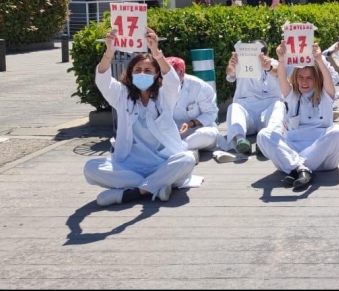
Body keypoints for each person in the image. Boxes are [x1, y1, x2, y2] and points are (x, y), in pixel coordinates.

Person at [84, 28, 199, 207]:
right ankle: (157, 186)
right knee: (90, 168)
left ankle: (133, 193)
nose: (142, 73)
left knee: (187, 159)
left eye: (148, 70)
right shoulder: (121, 95)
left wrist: (156, 52)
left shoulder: (164, 96)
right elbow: (103, 81)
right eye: (137, 70)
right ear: (130, 73)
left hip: (163, 162)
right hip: (131, 166)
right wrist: (109, 51)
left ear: (156, 74)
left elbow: (173, 81)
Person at [256, 43, 339, 189]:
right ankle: (301, 169)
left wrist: (319, 59)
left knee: (337, 131)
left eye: (309, 77)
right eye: (301, 77)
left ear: (316, 79)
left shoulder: (325, 95)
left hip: (323, 156)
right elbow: (282, 78)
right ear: (296, 78)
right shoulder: (292, 96)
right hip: (294, 148)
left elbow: (328, 79)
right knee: (264, 135)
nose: (304, 81)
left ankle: (295, 166)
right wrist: (281, 59)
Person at [223, 40, 286, 156]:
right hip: (247, 111)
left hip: (268, 110)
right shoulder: (242, 63)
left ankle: (267, 140)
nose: (258, 57)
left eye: (261, 53)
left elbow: (280, 72)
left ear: (266, 54)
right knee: (234, 107)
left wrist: (268, 68)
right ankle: (240, 140)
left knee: (280, 106)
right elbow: (230, 73)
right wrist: (231, 66)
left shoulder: (273, 63)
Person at [166, 57, 223, 154]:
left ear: (181, 72)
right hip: (170, 133)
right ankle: (181, 150)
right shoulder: (157, 86)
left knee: (207, 135)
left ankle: (171, 152)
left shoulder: (199, 86)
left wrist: (190, 123)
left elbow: (211, 113)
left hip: (196, 131)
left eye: (171, 74)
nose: (166, 78)